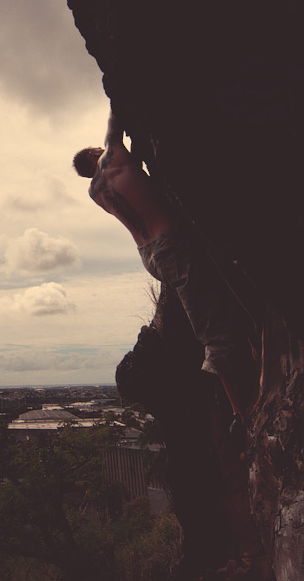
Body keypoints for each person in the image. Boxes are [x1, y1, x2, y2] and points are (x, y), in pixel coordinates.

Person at [73, 115, 256, 430]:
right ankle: (240, 414)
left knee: (220, 299)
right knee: (212, 330)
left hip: (149, 256)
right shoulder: (112, 154)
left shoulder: (95, 192)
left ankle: (253, 355)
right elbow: (115, 117)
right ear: (93, 155)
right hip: (170, 247)